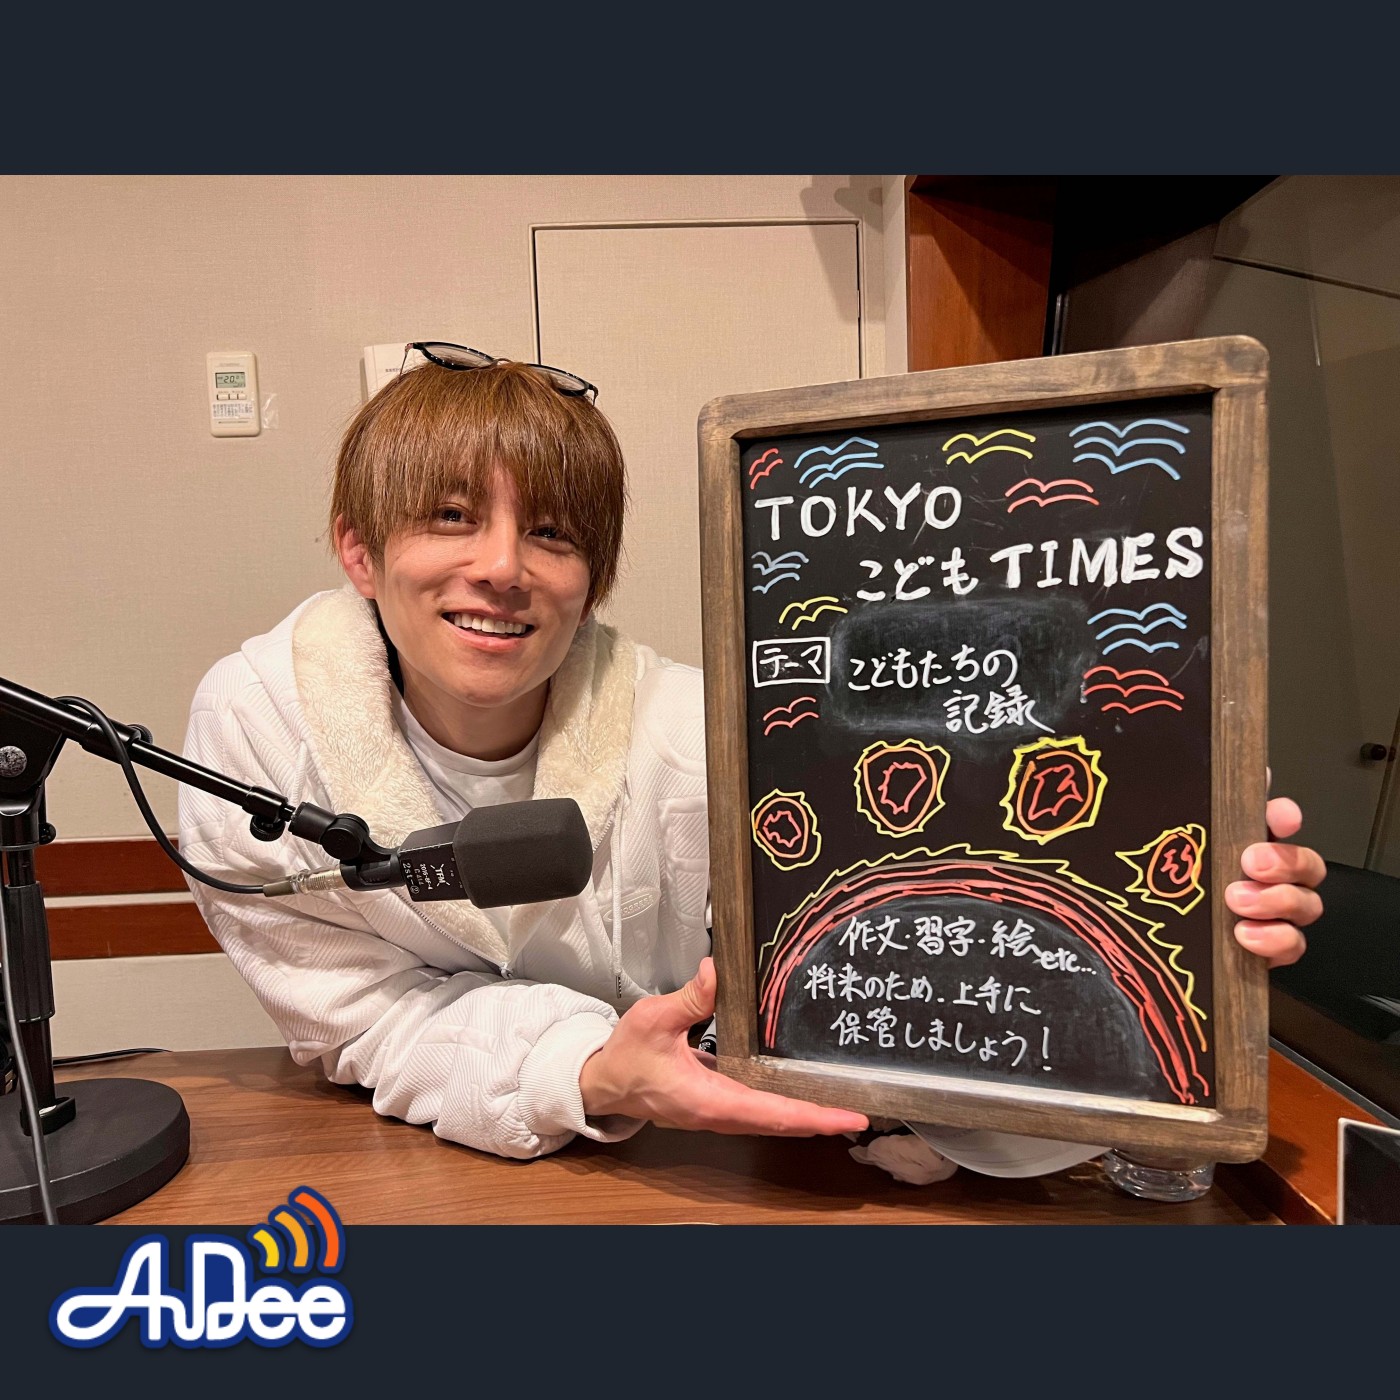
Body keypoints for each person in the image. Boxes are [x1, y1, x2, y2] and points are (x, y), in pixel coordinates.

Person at [178, 347, 1326, 1166]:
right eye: (448, 517)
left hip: (710, 1172)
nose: (502, 567)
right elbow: (358, 1014)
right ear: (358, 551)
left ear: (594, 579)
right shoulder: (261, 737)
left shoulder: (700, 735)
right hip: (432, 1176)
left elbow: (873, 993)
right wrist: (584, 1069)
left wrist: (1175, 896)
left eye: (552, 532)